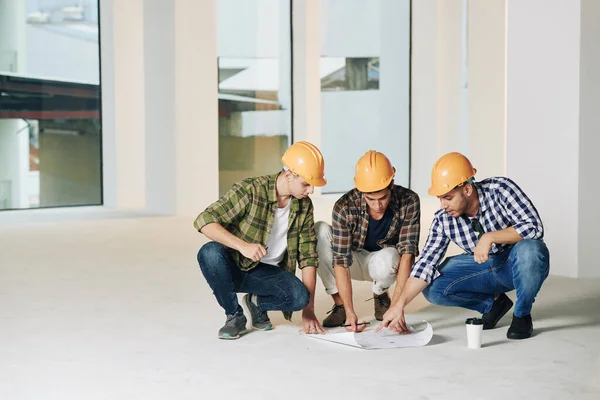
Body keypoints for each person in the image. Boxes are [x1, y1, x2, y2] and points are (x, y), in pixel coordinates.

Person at [378, 152, 549, 340]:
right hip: (486, 268)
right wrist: (398, 305)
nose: (443, 205)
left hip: (516, 263)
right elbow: (425, 264)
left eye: (448, 197)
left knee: (532, 250)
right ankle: (493, 305)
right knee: (433, 286)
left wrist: (490, 237)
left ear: (467, 190)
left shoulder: (501, 189)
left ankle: (522, 314)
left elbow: (534, 227)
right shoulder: (443, 220)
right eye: (440, 198)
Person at [194, 141, 327, 340]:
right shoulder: (251, 190)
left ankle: (256, 303)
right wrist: (242, 246)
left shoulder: (304, 206)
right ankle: (234, 316)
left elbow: (308, 257)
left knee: (300, 297)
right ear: (289, 175)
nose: (310, 191)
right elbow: (204, 221)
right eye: (306, 184)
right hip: (235, 266)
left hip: (267, 274)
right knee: (209, 252)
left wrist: (308, 311)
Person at [315, 150, 420, 332]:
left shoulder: (409, 200)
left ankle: (380, 295)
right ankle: (340, 306)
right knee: (320, 231)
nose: (378, 205)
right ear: (360, 190)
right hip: (353, 259)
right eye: (371, 199)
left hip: (381, 262)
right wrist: (350, 312)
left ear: (392, 184)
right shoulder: (344, 206)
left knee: (394, 255)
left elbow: (407, 254)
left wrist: (397, 306)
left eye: (383, 198)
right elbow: (340, 261)